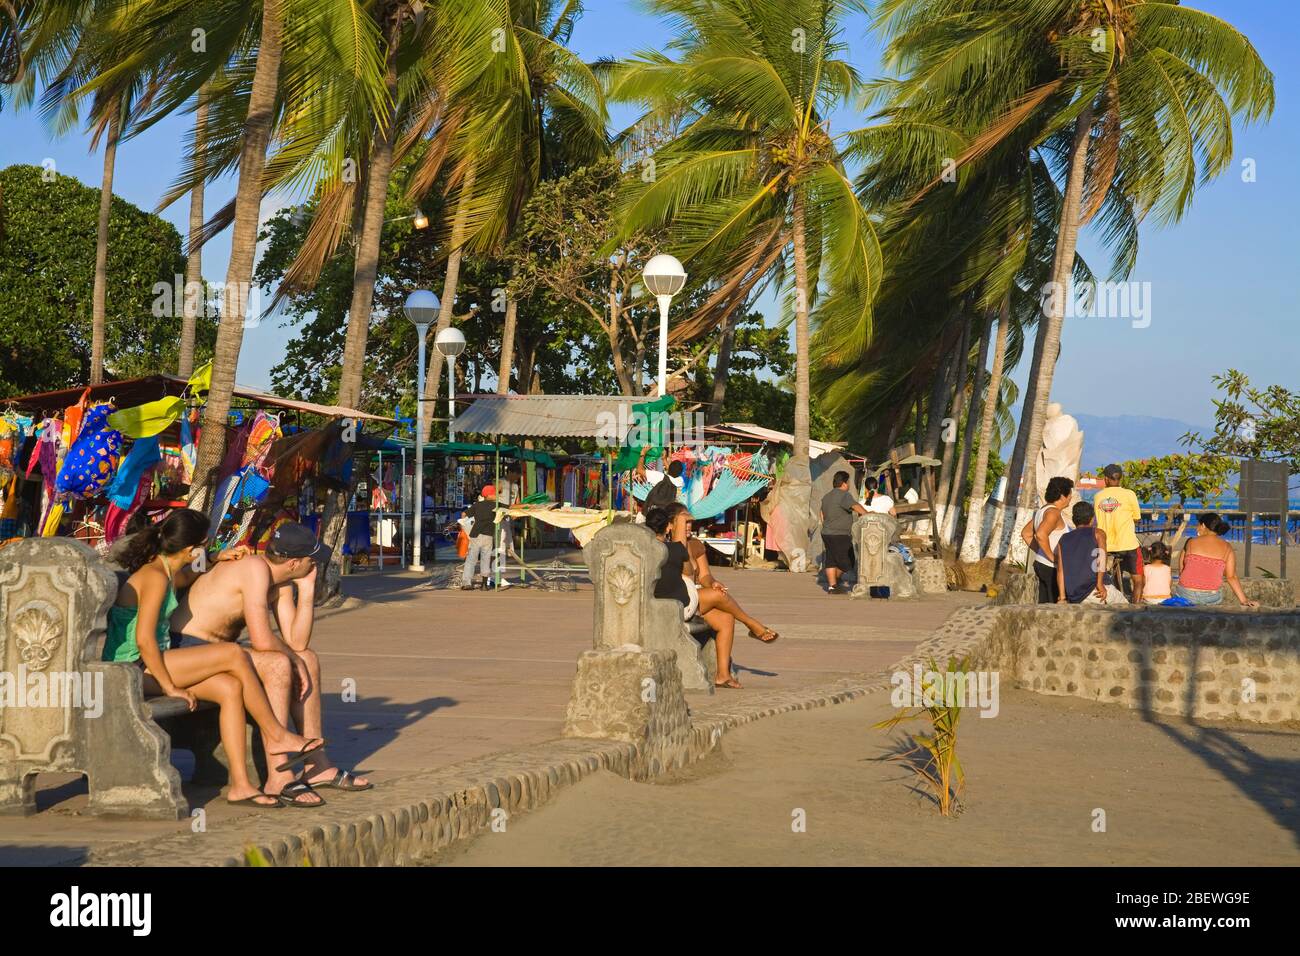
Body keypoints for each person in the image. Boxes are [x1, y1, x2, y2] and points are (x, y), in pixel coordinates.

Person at [106, 510, 324, 809]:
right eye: (204, 545)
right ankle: (276, 734)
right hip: (133, 668)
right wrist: (170, 687)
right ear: (189, 547)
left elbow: (191, 572)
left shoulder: (169, 571)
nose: (206, 549)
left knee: (229, 688)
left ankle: (240, 785)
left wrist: (214, 559)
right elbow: (144, 640)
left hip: (154, 661)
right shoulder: (154, 577)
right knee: (234, 654)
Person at [171, 522, 370, 806]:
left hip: (220, 651)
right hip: (188, 649)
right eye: (311, 562)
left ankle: (317, 765)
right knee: (276, 664)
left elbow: (297, 643)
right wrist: (291, 661)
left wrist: (308, 590)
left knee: (307, 658)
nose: (315, 566)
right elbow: (264, 640)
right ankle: (279, 775)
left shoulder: (281, 583)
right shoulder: (254, 568)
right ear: (293, 563)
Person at [674, 503, 779, 643]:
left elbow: (704, 575)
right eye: (684, 522)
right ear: (670, 525)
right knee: (718, 595)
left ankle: (723, 666)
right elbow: (683, 569)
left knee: (727, 619)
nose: (688, 525)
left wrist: (712, 583)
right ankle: (751, 623)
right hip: (680, 598)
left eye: (690, 522)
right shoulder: (669, 547)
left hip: (697, 596)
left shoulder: (695, 544)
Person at [1174, 513, 1259, 607]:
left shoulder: (1190, 542)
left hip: (1186, 594)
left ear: (1203, 525)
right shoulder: (1228, 547)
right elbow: (1231, 577)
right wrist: (1244, 600)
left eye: (1198, 525)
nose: (1196, 529)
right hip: (1211, 596)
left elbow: (1182, 571)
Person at [1054, 501, 1128, 605]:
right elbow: (1102, 558)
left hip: (1075, 596)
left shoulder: (1064, 539)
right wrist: (1100, 584)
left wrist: (1062, 597)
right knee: (1127, 607)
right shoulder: (1098, 533)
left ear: (1074, 520)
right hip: (1095, 591)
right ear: (1092, 519)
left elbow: (1060, 570)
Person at [1093, 463, 1144, 603]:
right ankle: (1136, 607)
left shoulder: (1098, 496)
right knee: (1139, 579)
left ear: (1106, 479)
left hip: (1106, 546)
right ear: (1120, 478)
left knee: (1113, 572)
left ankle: (1115, 597)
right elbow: (1137, 518)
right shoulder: (1129, 494)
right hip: (1128, 544)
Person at [1021, 476, 1074, 603]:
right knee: (1052, 606)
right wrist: (1051, 557)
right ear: (1062, 496)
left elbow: (1026, 534)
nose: (1071, 497)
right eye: (1070, 494)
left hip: (1042, 564)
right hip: (1051, 567)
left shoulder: (1043, 510)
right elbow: (1040, 535)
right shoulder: (1053, 513)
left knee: (1044, 605)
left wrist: (1040, 551)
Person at [820, 471, 868, 594]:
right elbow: (855, 506)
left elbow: (821, 514)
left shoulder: (827, 496)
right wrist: (867, 514)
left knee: (831, 559)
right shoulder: (844, 495)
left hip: (826, 533)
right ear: (844, 483)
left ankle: (833, 586)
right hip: (839, 534)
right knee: (848, 560)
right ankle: (836, 580)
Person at [460, 485, 497, 590]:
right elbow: (509, 510)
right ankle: (484, 584)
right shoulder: (496, 506)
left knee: (471, 559)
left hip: (475, 535)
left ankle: (466, 583)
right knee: (486, 559)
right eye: (495, 493)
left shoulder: (477, 505)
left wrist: (465, 524)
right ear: (490, 495)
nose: (496, 495)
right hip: (488, 535)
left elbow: (464, 514)